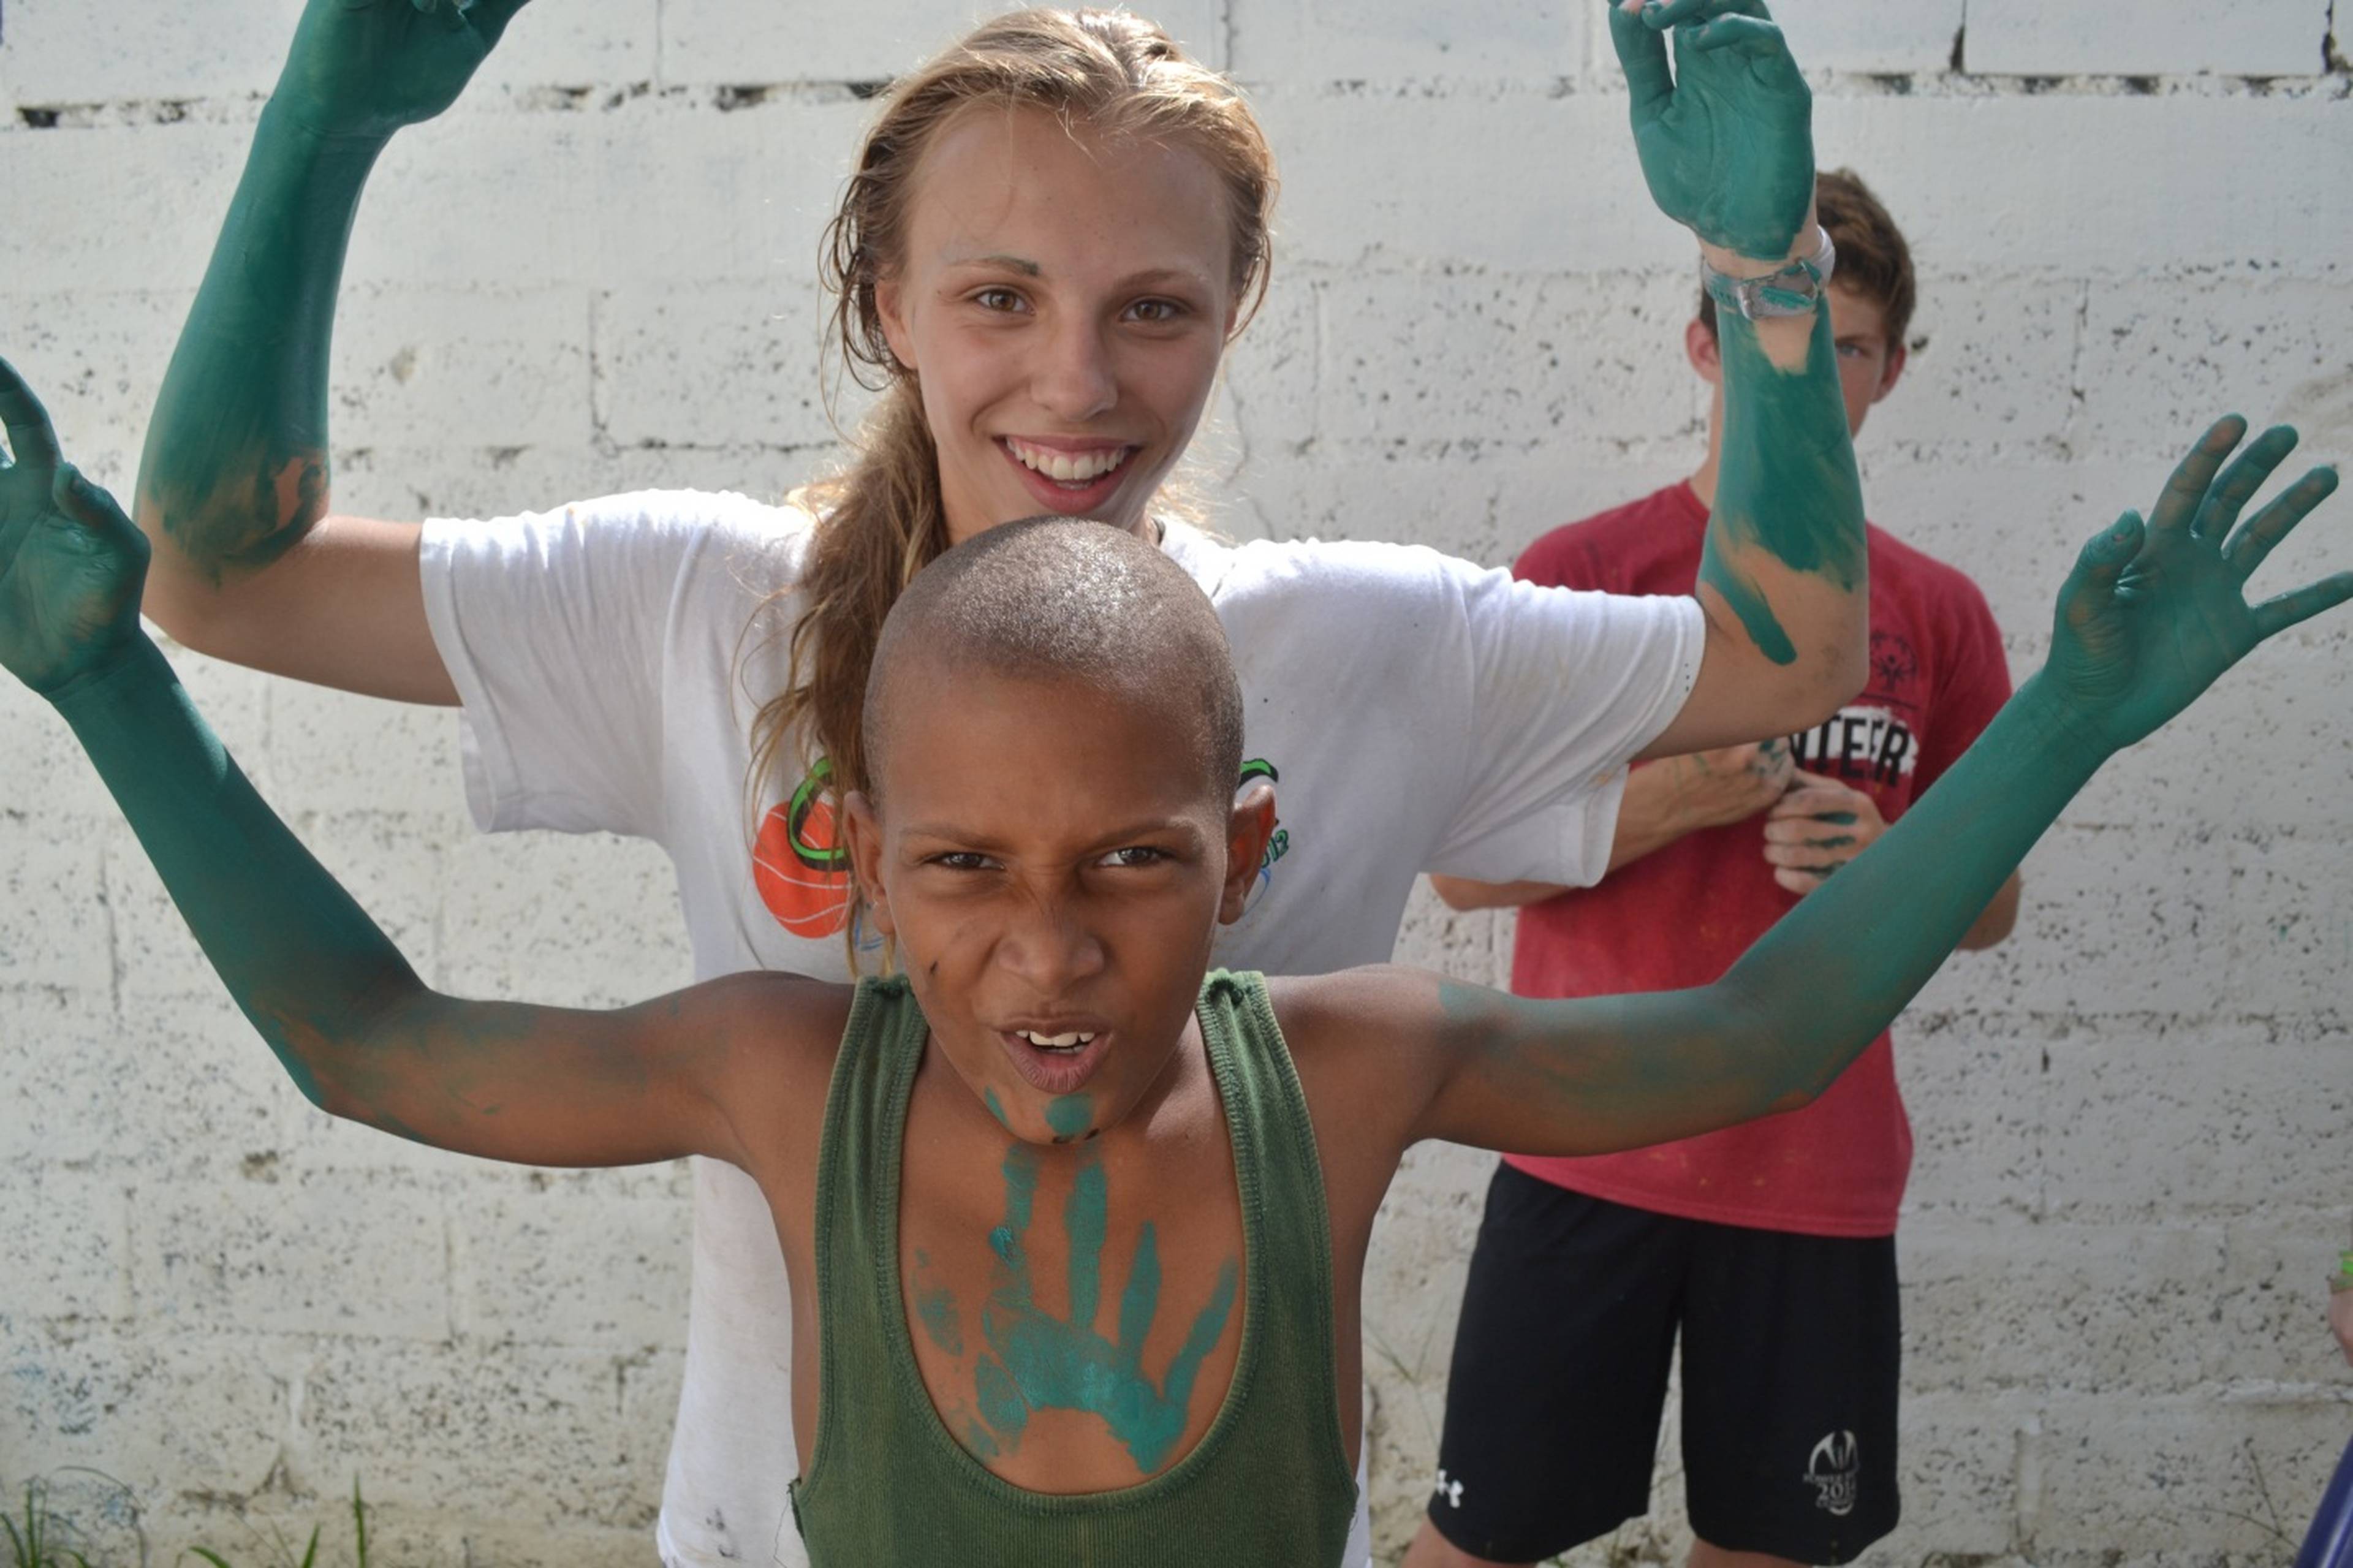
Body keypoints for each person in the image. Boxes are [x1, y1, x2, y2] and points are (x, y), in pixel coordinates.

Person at [4, 361, 2345, 1564]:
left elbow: (1770, 1024)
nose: (1046, 947)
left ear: (1244, 853)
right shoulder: (778, 1079)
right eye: (965, 868)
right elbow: (372, 1046)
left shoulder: (1331, 1067)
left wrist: (2061, 724)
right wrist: (120, 682)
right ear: (852, 860)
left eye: (1132, 862)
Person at [122, 3, 1874, 1562]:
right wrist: (326, 125)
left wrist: (1768, 268)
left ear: (1236, 307)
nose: (1078, 381)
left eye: (1157, 309)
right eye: (997, 298)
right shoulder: (707, 610)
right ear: (887, 299)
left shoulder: (1369, 644)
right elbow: (219, 571)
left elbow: (1788, 655)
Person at [1408, 170, 2014, 1568]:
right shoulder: (1586, 573)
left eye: (1844, 345)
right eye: (1772, 337)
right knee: (1476, 1544)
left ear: (1890, 371)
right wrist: (1673, 799)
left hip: (1815, 1167)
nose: (1810, 374)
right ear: (1705, 345)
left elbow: (1990, 906)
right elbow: (1461, 876)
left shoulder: (1937, 611)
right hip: (1583, 1144)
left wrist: (1892, 862)